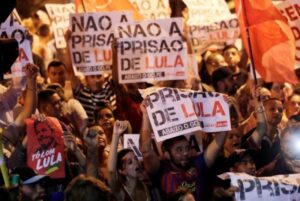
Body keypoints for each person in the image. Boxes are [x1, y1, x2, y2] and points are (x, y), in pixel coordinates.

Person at [139, 100, 227, 201]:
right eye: (179, 150)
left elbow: (218, 143)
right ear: (167, 154)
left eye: (187, 148)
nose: (185, 153)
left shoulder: (198, 164)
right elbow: (146, 150)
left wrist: (224, 112)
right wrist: (145, 115)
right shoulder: (160, 170)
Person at [107, 120, 155, 201]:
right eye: (130, 162)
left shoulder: (145, 186)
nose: (136, 162)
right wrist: (116, 135)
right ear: (122, 171)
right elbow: (111, 171)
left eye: (136, 158)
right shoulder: (120, 191)